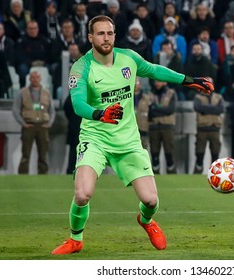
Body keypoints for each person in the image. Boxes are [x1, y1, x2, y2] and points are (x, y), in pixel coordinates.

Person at [51, 15, 214, 255]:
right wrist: (99, 114)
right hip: (95, 139)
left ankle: (146, 221)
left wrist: (187, 81)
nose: (105, 38)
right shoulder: (81, 68)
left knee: (151, 201)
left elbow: (154, 70)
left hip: (128, 141)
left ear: (114, 35)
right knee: (83, 194)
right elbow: (77, 105)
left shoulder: (129, 57)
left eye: (109, 33)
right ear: (90, 37)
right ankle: (76, 239)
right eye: (100, 34)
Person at [12, 71, 56, 174]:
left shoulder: (46, 92)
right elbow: (15, 109)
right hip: (28, 125)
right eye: (32, 78)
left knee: (43, 154)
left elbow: (52, 110)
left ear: (40, 79)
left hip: (43, 126)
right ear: (29, 79)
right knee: (25, 154)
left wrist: (49, 124)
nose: (35, 80)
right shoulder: (22, 92)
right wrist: (23, 123)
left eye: (37, 77)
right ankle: (23, 175)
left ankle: (43, 175)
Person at [193, 77, 224, 174]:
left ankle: (215, 173)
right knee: (199, 151)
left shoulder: (219, 97)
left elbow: (220, 109)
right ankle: (198, 170)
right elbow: (198, 107)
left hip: (215, 128)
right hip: (202, 128)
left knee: (215, 151)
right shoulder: (198, 97)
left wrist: (205, 109)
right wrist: (213, 108)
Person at [148, 80, 177, 174]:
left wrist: (156, 108)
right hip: (154, 126)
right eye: (156, 81)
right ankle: (155, 175)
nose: (157, 83)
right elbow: (149, 111)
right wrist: (161, 109)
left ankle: (172, 173)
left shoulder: (171, 93)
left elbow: (170, 110)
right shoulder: (150, 94)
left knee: (169, 152)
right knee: (154, 153)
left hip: (167, 126)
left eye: (159, 81)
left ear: (165, 82)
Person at [63, 94, 82, 175]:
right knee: (74, 151)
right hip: (76, 128)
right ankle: (71, 171)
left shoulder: (74, 93)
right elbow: (67, 108)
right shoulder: (74, 93)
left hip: (78, 127)